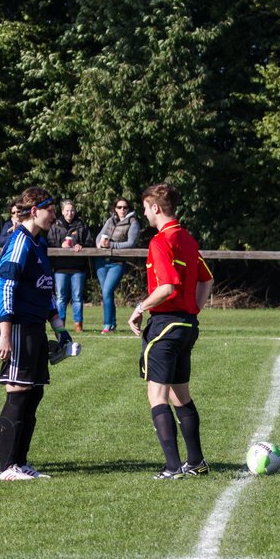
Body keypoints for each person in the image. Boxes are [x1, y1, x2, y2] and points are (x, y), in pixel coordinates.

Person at [128, 184, 214, 480]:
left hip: (165, 325)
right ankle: (196, 462)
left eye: (145, 207)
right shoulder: (187, 238)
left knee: (157, 396)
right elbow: (207, 280)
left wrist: (139, 308)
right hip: (187, 325)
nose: (143, 213)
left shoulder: (161, 241)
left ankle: (172, 467)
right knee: (181, 396)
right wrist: (194, 310)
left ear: (155, 207)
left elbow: (167, 287)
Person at [0, 186, 69, 480]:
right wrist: (3, 333)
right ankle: (6, 468)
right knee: (18, 391)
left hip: (36, 328)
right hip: (19, 327)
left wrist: (60, 329)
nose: (54, 216)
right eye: (50, 211)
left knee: (34, 392)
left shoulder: (39, 244)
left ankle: (21, 462)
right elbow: (6, 287)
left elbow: (45, 289)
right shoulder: (19, 243)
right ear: (34, 210)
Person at [94, 198, 141, 334]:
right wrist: (99, 244)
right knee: (106, 294)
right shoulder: (110, 220)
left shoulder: (133, 223)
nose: (122, 210)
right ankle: (112, 324)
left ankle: (107, 324)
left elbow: (131, 243)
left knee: (107, 291)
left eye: (125, 207)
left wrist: (111, 245)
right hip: (102, 261)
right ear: (115, 208)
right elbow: (99, 237)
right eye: (119, 207)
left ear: (128, 208)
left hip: (117, 262)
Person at [48, 199, 94, 333]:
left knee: (78, 297)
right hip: (60, 267)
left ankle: (78, 324)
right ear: (62, 211)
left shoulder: (81, 225)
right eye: (67, 210)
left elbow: (90, 241)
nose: (70, 213)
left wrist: (82, 245)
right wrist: (60, 246)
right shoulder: (55, 225)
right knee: (61, 297)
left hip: (78, 267)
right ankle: (60, 323)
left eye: (72, 210)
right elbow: (49, 242)